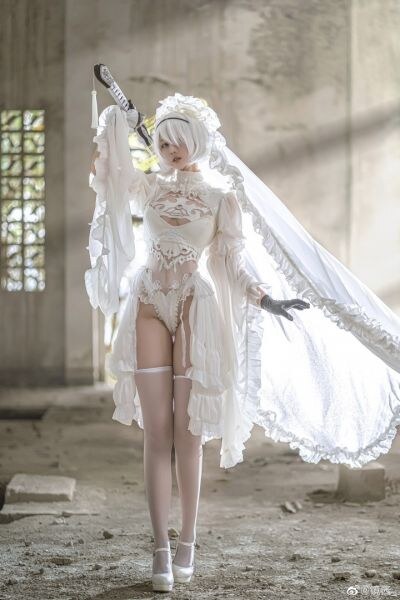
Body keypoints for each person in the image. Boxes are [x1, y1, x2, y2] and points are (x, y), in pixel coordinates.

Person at [86, 93, 400, 592]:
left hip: (195, 306)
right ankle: (160, 548)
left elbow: (233, 262)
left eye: (178, 142)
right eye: (162, 143)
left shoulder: (221, 197)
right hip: (147, 303)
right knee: (156, 433)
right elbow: (111, 176)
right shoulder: (149, 188)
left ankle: (188, 540)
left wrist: (264, 298)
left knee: (188, 434)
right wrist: (118, 127)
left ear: (197, 141)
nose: (169, 150)